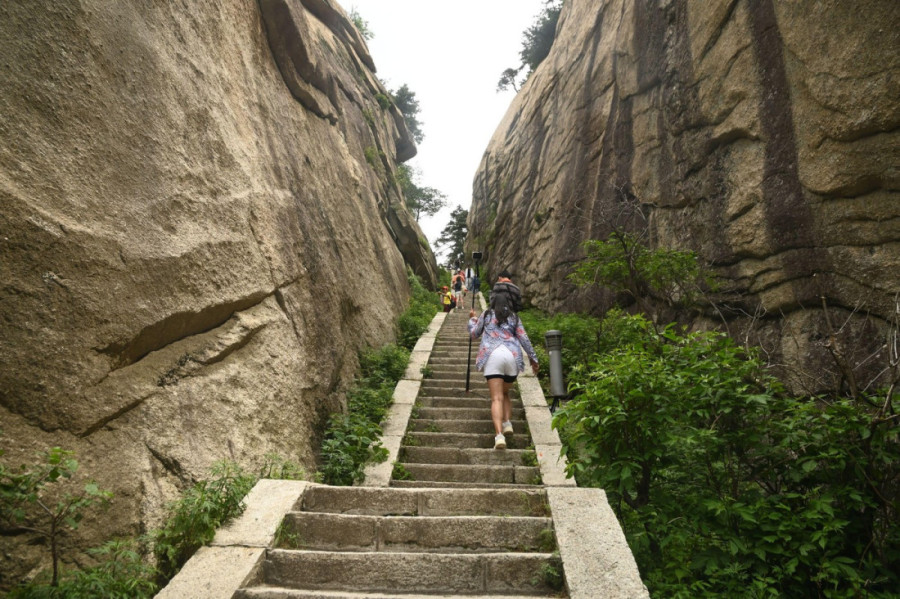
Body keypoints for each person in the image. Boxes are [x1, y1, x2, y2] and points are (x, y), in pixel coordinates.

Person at [468, 292, 539, 450]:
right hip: (512, 356)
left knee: (497, 398)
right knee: (505, 393)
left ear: (493, 303)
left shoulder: (487, 315)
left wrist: (472, 319)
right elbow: (524, 338)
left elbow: (474, 334)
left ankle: (499, 436)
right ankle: (507, 423)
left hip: (493, 355)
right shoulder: (514, 318)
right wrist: (533, 359)